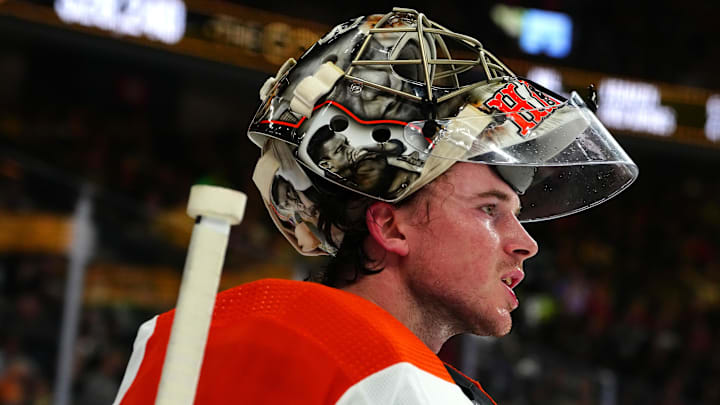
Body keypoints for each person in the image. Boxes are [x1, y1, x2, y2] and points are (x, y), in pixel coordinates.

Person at [113, 8, 638, 404]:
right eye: (488, 209)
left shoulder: (172, 335)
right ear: (389, 224)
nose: (524, 242)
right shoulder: (406, 386)